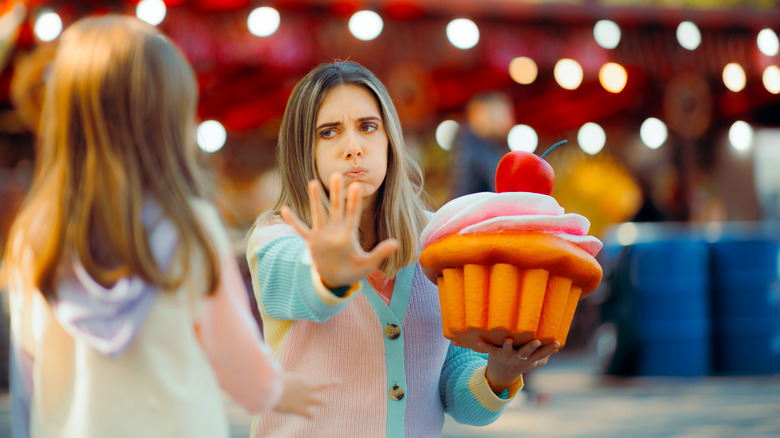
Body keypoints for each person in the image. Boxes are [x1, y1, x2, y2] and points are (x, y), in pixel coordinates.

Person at [1, 15, 328, 438]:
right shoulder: (191, 229)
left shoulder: (34, 235)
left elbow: (29, 370)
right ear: (166, 122)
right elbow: (238, 361)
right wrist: (279, 389)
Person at [245, 61, 560, 437]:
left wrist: (499, 375)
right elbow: (300, 288)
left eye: (367, 127)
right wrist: (328, 274)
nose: (353, 148)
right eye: (329, 132)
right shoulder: (276, 236)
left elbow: (460, 399)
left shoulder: (442, 241)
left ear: (389, 138)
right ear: (303, 151)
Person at [451, 92, 515, 197]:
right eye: (501, 115)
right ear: (482, 115)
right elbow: (500, 190)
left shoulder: (488, 147)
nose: (508, 120)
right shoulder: (472, 151)